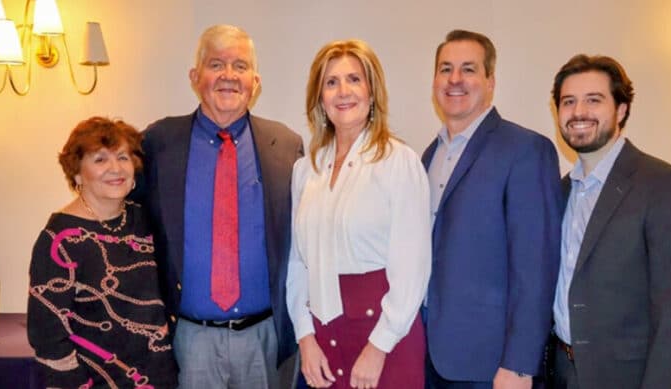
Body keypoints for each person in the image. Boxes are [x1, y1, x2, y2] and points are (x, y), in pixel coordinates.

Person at [136, 25, 303, 388]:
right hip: (189, 338)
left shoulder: (287, 146)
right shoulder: (158, 143)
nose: (229, 75)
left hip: (265, 337)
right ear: (196, 77)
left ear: (255, 82)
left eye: (240, 66)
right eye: (216, 64)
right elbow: (131, 227)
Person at [547, 54, 671, 389]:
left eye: (594, 100)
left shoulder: (664, 185)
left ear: (620, 110)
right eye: (569, 102)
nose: (579, 113)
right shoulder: (559, 192)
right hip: (564, 374)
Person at [422, 30, 562, 389]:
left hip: (492, 366)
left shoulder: (525, 150)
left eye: (468, 69)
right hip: (429, 356)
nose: (455, 79)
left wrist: (518, 364)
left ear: (490, 82)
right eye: (446, 69)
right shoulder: (427, 156)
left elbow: (537, 267)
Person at [287, 39, 431, 389]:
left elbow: (412, 269)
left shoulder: (398, 162)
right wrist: (305, 338)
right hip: (321, 339)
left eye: (354, 79)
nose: (343, 91)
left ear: (372, 91)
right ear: (319, 97)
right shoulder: (306, 170)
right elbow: (296, 263)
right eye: (331, 82)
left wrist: (379, 346)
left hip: (385, 337)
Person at [27, 117, 178, 389]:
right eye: (100, 160)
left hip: (159, 377)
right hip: (93, 381)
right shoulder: (59, 238)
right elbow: (47, 333)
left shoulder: (146, 219)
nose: (115, 168)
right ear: (76, 172)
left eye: (123, 157)